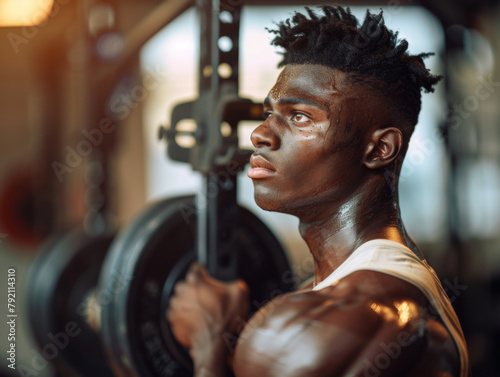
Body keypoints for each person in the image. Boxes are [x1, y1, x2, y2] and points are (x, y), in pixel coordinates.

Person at [167, 5, 470, 377]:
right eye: (269, 113)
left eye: (300, 117)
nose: (259, 135)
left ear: (378, 149)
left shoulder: (332, 320)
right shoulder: (400, 284)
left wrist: (208, 346)